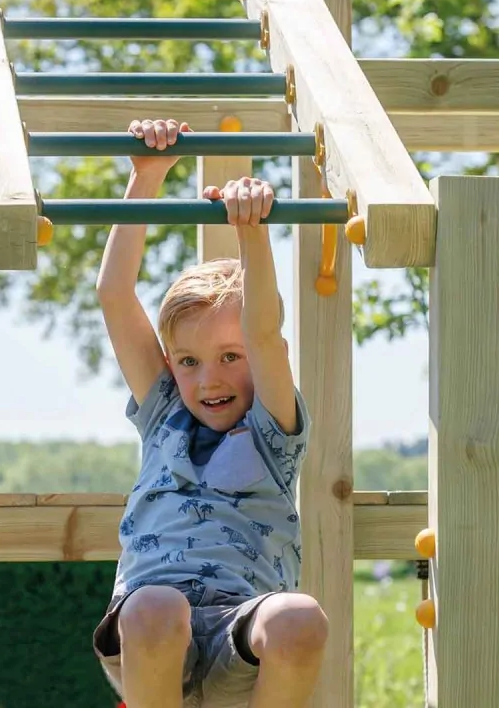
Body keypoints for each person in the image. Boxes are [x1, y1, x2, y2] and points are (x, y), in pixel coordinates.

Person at [92, 118, 329, 708]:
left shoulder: (273, 431)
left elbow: (266, 332)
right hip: (151, 634)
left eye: (230, 356)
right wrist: (146, 176)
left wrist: (252, 233)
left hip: (241, 632)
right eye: (190, 361)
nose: (210, 378)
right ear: (171, 366)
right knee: (155, 605)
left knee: (300, 616)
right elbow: (115, 294)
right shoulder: (163, 412)